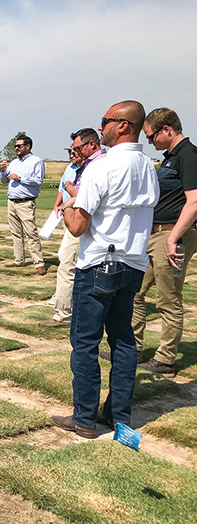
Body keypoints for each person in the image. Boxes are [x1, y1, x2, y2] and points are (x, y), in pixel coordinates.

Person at [52, 101, 159, 438]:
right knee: (124, 340)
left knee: (85, 342)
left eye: (105, 121)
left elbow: (78, 226)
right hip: (133, 263)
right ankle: (118, 415)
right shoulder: (149, 167)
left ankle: (83, 418)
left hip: (99, 262)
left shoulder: (103, 166)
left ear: (123, 125)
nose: (102, 128)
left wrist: (69, 206)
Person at [131, 108, 197, 376]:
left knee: (167, 299)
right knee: (134, 291)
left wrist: (172, 239)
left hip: (173, 235)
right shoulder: (170, 158)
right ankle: (132, 348)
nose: (150, 142)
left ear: (167, 129)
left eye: (151, 136)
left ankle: (166, 359)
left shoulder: (189, 156)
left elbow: (194, 201)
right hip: (155, 233)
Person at [40, 129, 106, 328]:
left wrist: (70, 194)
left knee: (68, 265)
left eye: (77, 148)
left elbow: (86, 197)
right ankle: (63, 303)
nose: (74, 152)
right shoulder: (85, 165)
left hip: (82, 222)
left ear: (92, 144)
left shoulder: (96, 166)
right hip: (77, 220)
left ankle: (64, 313)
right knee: (66, 260)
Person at [0, 135, 47, 275]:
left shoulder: (36, 161)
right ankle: (18, 259)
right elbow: (3, 181)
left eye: (19, 146)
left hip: (26, 202)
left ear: (28, 146)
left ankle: (39, 263)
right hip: (12, 201)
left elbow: (38, 180)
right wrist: (3, 171)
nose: (16, 148)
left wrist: (20, 178)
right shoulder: (13, 163)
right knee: (15, 233)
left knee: (31, 233)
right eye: (16, 146)